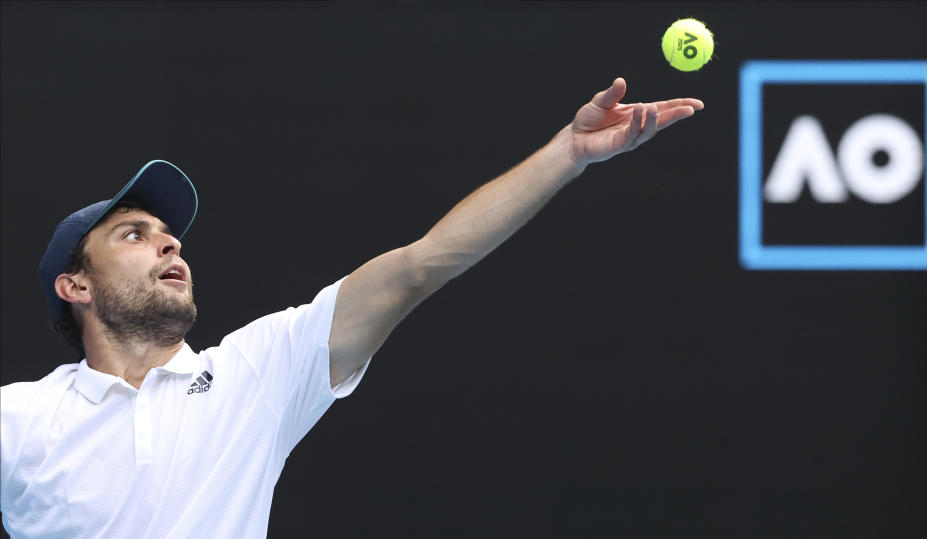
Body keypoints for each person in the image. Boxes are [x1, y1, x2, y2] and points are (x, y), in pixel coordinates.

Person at [0, 78, 703, 537]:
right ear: (77, 286)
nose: (167, 241)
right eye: (133, 234)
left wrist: (566, 154)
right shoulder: (19, 419)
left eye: (168, 232)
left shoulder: (254, 373)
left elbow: (419, 265)